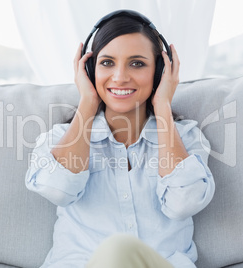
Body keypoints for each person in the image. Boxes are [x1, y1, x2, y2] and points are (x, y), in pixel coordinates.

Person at [25, 9, 215, 268]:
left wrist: (162, 107)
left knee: (120, 250)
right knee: (115, 251)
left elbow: (183, 204)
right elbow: (58, 189)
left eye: (137, 63)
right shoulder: (58, 139)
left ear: (159, 71)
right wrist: (88, 101)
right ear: (90, 70)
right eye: (107, 63)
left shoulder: (186, 138)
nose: (120, 77)